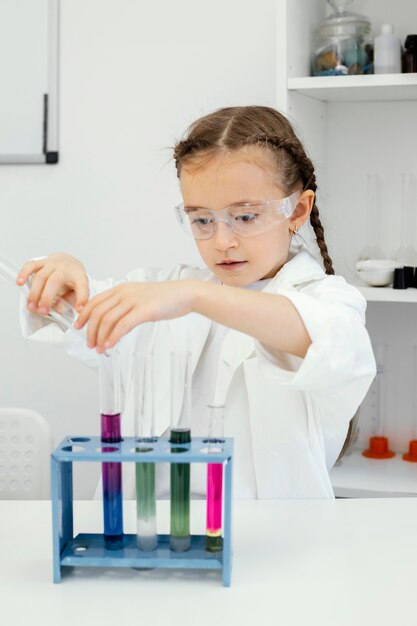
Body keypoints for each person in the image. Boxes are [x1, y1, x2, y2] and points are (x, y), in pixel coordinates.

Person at [17, 105, 376, 499]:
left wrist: (196, 296)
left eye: (245, 216)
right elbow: (78, 312)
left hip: (278, 543)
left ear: (297, 210)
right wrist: (62, 280)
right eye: (202, 220)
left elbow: (322, 338)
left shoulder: (328, 298)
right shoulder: (163, 290)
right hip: (153, 544)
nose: (222, 241)